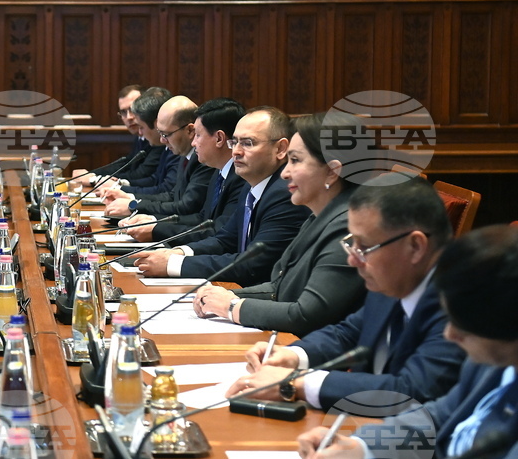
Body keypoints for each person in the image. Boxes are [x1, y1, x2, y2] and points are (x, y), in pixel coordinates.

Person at [227, 175, 465, 411]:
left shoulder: (462, 302)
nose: (352, 259)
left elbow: (411, 390)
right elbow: (349, 332)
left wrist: (296, 384)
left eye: (364, 247)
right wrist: (294, 355)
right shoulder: (396, 275)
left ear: (415, 247)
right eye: (352, 243)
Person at [297, 224, 518, 459]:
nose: (449, 335)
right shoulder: (489, 361)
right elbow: (439, 415)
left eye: (465, 327)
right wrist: (362, 447)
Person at [193, 113, 367, 336]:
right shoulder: (319, 217)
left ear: (332, 172)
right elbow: (280, 287)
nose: (284, 173)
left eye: (295, 161)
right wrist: (225, 296)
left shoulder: (350, 228)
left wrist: (232, 307)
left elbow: (306, 315)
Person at [132, 106, 311, 285]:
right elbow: (225, 240)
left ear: (280, 148)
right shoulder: (251, 186)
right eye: (235, 142)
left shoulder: (285, 195)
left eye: (248, 143)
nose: (236, 152)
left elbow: (252, 265)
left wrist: (174, 264)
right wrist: (179, 252)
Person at [125, 97, 247, 244]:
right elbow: (202, 219)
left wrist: (157, 230)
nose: (193, 142)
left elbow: (218, 234)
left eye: (198, 135)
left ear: (219, 138)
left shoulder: (240, 178)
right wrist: (153, 222)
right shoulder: (218, 171)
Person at [102, 95, 213, 221]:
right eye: (160, 133)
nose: (162, 140)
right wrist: (131, 199)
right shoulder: (184, 154)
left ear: (189, 130)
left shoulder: (204, 160)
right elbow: (172, 196)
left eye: (166, 134)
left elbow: (187, 207)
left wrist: (135, 206)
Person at [101, 88, 180, 215]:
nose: (140, 133)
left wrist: (131, 200)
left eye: (141, 127)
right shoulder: (168, 146)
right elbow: (155, 180)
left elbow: (169, 193)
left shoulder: (178, 150)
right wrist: (122, 188)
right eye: (123, 112)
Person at [72, 84, 154, 183]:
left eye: (133, 109)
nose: (129, 117)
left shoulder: (158, 138)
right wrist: (91, 174)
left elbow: (141, 174)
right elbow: (126, 165)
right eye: (123, 112)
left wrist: (94, 179)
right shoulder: (140, 137)